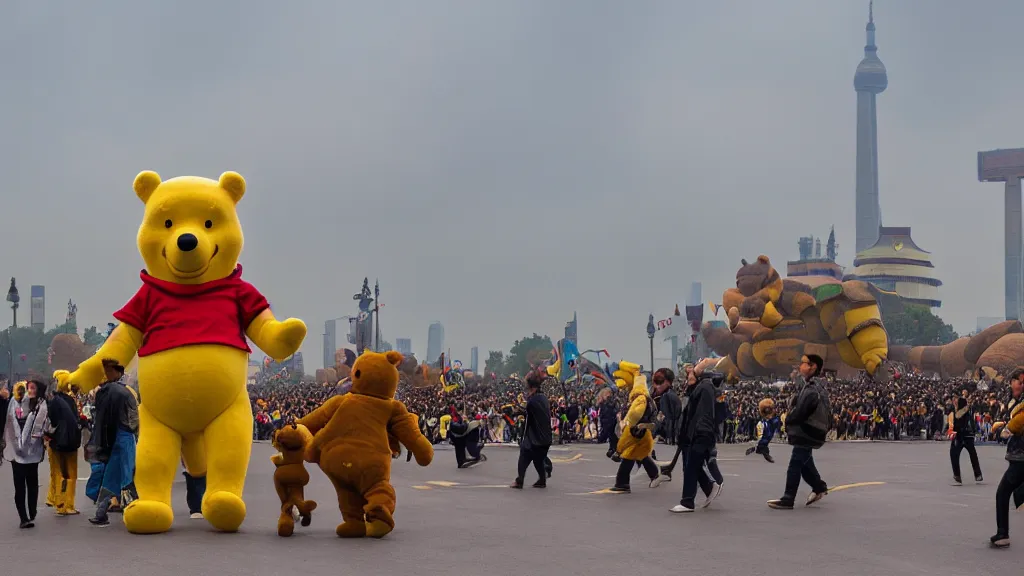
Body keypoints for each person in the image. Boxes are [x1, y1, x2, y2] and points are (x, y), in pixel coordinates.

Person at [768, 354, 830, 510]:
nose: (800, 366)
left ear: (813, 366)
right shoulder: (813, 385)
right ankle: (819, 486)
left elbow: (800, 412)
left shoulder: (812, 388)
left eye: (803, 363)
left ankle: (788, 498)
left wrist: (787, 420)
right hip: (811, 430)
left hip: (808, 430)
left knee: (796, 462)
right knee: (805, 462)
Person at [88, 360, 139, 526]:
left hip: (110, 437)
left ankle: (101, 512)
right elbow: (133, 418)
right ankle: (132, 512)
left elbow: (98, 419)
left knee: (110, 475)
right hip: (125, 436)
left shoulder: (102, 392)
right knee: (127, 474)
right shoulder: (126, 392)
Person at [671, 370, 719, 513]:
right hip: (697, 433)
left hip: (700, 433)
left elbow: (703, 414)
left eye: (690, 375)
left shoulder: (704, 387)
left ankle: (687, 502)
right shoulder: (700, 388)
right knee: (694, 466)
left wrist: (700, 432)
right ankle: (709, 487)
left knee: (691, 466)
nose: (687, 378)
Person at [3, 380, 49, 528]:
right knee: (20, 485)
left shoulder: (41, 405)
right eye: (28, 388)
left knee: (32, 482)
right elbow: (9, 422)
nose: (29, 391)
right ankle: (23, 517)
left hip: (32, 451)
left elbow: (44, 425)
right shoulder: (14, 403)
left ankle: (32, 510)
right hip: (16, 450)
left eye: (32, 388)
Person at [991, 367, 1024, 548]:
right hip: (1017, 454)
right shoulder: (1014, 401)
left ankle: (1003, 533)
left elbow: (1019, 422)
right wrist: (1003, 425)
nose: (1019, 384)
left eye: (1021, 382)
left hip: (1021, 456)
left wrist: (1008, 428)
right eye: (1018, 381)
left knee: (1003, 493)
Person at [46, 379, 83, 515]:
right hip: (69, 441)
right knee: (70, 475)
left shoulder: (53, 400)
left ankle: (59, 503)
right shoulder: (69, 401)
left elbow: (51, 420)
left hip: (57, 441)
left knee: (58, 473)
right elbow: (75, 420)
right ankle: (67, 505)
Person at [510, 372, 552, 489]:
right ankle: (542, 480)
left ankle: (519, 481)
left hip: (535, 438)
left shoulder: (532, 401)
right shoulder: (543, 398)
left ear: (531, 387)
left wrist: (517, 410)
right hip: (546, 438)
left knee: (524, 457)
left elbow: (528, 413)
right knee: (538, 460)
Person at [949, 395, 982, 485]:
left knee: (954, 454)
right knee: (973, 455)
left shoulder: (960, 412)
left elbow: (958, 423)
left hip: (960, 436)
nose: (954, 401)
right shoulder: (966, 411)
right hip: (968, 436)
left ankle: (957, 475)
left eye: (955, 400)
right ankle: (978, 474)